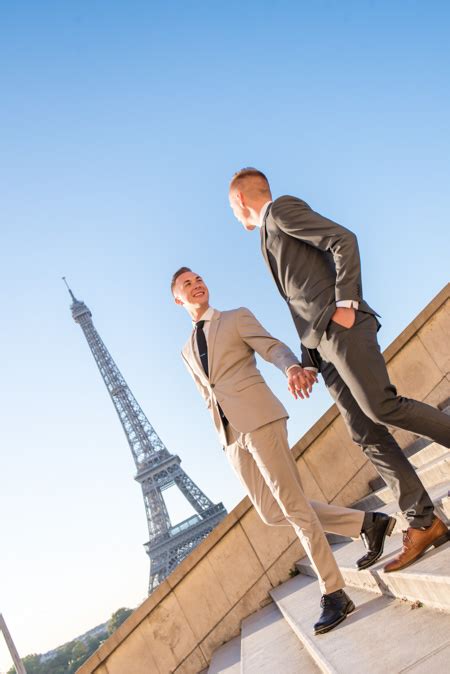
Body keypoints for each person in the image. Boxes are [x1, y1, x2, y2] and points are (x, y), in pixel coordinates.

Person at [228, 167, 450, 573]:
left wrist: (346, 304)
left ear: (239, 200)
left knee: (382, 407)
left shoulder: (280, 211)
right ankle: (424, 520)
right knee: (364, 432)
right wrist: (308, 361)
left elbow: (342, 239)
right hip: (324, 348)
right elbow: (301, 301)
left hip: (342, 328)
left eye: (231, 208)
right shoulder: (266, 236)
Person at [172, 266, 395, 635]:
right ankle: (367, 524)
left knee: (292, 506)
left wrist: (291, 367)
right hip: (230, 437)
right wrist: (223, 439)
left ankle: (335, 591)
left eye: (199, 280)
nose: (197, 286)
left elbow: (272, 346)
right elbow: (207, 393)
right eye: (187, 285)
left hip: (260, 419)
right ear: (177, 299)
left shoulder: (236, 318)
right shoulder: (184, 351)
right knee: (272, 512)